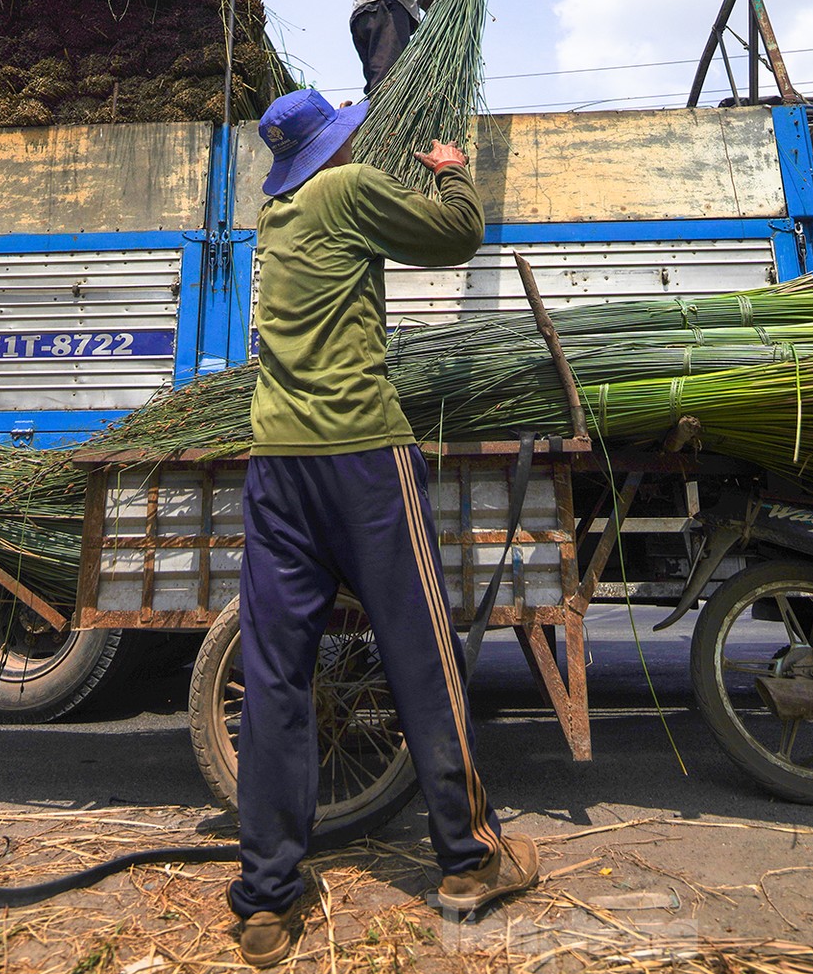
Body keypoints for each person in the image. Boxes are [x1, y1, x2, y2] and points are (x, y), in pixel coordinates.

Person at [229, 87, 539, 967]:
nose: (356, 141)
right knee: (422, 651)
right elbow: (456, 237)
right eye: (346, 136)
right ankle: (473, 860)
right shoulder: (346, 189)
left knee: (277, 679)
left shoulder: (277, 217)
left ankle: (267, 902)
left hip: (275, 465)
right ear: (331, 148)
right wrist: (451, 174)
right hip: (361, 455)